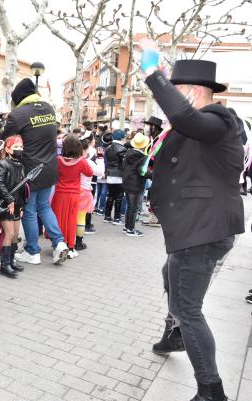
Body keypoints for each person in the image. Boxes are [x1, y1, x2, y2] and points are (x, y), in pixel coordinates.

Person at [141, 44, 244, 401]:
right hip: (198, 226)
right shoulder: (203, 126)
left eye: (176, 90)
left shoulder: (219, 120)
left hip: (202, 230)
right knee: (170, 274)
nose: (171, 99)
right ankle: (175, 333)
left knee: (190, 308)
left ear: (194, 91)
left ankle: (211, 390)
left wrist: (153, 75)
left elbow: (185, 119)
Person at [2, 78, 68, 265]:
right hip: (49, 168)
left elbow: (4, 138)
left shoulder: (18, 114)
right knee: (44, 207)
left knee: (29, 210)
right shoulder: (48, 108)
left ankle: (32, 251)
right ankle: (59, 243)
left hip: (29, 171)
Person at [51, 135, 93, 259]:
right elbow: (89, 173)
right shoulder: (81, 161)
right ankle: (70, 247)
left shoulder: (58, 160)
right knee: (71, 220)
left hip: (59, 193)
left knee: (58, 220)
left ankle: (58, 244)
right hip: (74, 194)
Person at [0, 135, 26, 278]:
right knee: (9, 234)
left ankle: (11, 261)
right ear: (7, 149)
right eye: (16, 147)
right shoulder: (3, 164)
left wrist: (21, 206)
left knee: (15, 235)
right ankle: (4, 265)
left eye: (20, 147)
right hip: (5, 204)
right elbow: (0, 184)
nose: (19, 149)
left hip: (17, 204)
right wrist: (9, 201)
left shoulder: (20, 164)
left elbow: (22, 188)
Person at [77, 131, 105, 248]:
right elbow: (100, 172)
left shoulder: (70, 160)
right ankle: (78, 241)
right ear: (84, 149)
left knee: (71, 217)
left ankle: (69, 240)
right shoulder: (87, 162)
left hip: (72, 192)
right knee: (81, 218)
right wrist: (100, 158)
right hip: (84, 192)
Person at [121, 132, 150, 237]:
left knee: (130, 206)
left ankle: (127, 227)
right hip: (136, 184)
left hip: (127, 182)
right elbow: (142, 172)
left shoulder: (128, 153)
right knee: (134, 207)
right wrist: (152, 175)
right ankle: (130, 228)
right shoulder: (142, 157)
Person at [103, 129, 127, 224]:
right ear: (121, 137)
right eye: (124, 137)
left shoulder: (108, 148)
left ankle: (107, 216)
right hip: (119, 174)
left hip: (110, 174)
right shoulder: (122, 148)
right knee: (119, 197)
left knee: (110, 196)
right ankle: (117, 218)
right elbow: (124, 163)